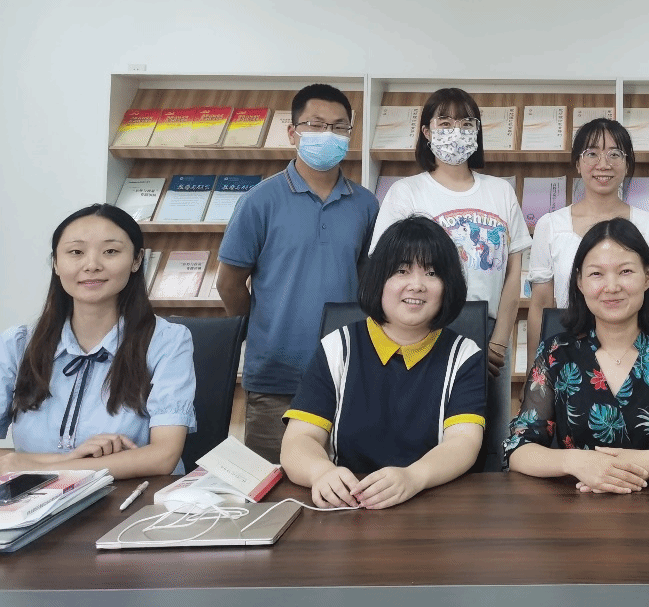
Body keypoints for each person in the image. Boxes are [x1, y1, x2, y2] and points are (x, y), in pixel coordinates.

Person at [218, 83, 379, 464]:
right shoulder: (259, 201)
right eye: (316, 125)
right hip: (275, 378)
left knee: (347, 479)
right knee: (274, 481)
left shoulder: (366, 204)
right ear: (293, 133)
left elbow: (370, 285)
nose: (329, 135)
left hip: (348, 371)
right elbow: (229, 282)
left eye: (339, 127)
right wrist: (262, 329)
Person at [506, 218, 649, 492]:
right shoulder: (556, 353)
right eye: (596, 274)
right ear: (579, 281)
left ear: (648, 275)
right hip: (578, 503)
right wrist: (577, 462)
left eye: (625, 271)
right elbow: (519, 447)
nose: (611, 287)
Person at [281, 216, 485, 509]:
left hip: (432, 505)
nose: (417, 285)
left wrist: (413, 477)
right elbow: (299, 440)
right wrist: (321, 472)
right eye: (402, 271)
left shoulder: (464, 355)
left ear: (447, 285)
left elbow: (464, 443)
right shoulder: (337, 348)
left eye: (431, 273)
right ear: (378, 279)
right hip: (349, 504)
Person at [371, 88, 530, 449]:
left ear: (478, 131)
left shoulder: (500, 192)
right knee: (426, 437)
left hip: (489, 332)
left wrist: (499, 341)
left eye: (466, 123)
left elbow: (513, 272)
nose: (456, 131)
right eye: (444, 123)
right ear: (426, 132)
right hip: (424, 329)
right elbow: (386, 270)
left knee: (487, 442)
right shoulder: (406, 192)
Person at [0, 204, 195, 477]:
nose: (92, 265)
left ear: (137, 260)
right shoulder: (17, 345)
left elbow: (164, 456)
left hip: (133, 496)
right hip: (34, 497)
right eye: (76, 252)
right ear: (55, 263)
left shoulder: (167, 341)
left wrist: (38, 466)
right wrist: (67, 460)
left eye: (110, 251)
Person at [526, 117, 649, 364]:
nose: (603, 164)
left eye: (615, 154)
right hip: (568, 353)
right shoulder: (550, 225)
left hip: (636, 353)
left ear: (627, 163)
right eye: (592, 154)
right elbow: (540, 305)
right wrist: (535, 368)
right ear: (577, 163)